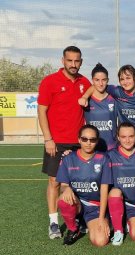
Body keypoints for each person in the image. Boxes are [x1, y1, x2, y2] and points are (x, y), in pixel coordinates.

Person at [38, 45, 91, 239]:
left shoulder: (84, 82)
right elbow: (41, 111)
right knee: (54, 182)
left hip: (79, 143)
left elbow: (97, 86)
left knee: (78, 183)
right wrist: (48, 138)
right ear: (63, 61)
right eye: (69, 60)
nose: (73, 64)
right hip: (56, 142)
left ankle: (77, 218)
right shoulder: (49, 81)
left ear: (81, 62)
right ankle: (53, 222)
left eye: (77, 61)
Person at [56, 125, 111, 246]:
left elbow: (104, 191)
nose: (88, 143)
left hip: (95, 207)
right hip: (78, 204)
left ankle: (88, 223)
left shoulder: (103, 159)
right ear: (79, 140)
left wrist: (102, 218)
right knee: (63, 200)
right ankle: (73, 228)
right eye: (84, 139)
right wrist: (67, 188)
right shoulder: (68, 158)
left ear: (97, 141)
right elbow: (63, 185)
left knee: (100, 241)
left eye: (92, 140)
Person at [80, 65, 135, 147]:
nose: (125, 82)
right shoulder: (117, 91)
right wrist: (85, 97)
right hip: (126, 140)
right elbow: (97, 85)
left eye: (128, 78)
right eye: (122, 79)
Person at [107, 122, 135, 246]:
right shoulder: (110, 155)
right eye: (123, 137)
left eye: (130, 136)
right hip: (116, 202)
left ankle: (127, 222)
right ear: (118, 138)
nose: (127, 140)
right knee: (114, 192)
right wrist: (70, 154)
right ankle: (118, 231)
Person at [84, 63, 117, 152]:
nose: (101, 83)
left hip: (112, 148)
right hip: (92, 148)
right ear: (92, 80)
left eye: (104, 80)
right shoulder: (86, 100)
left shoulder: (114, 99)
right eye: (97, 80)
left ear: (108, 80)